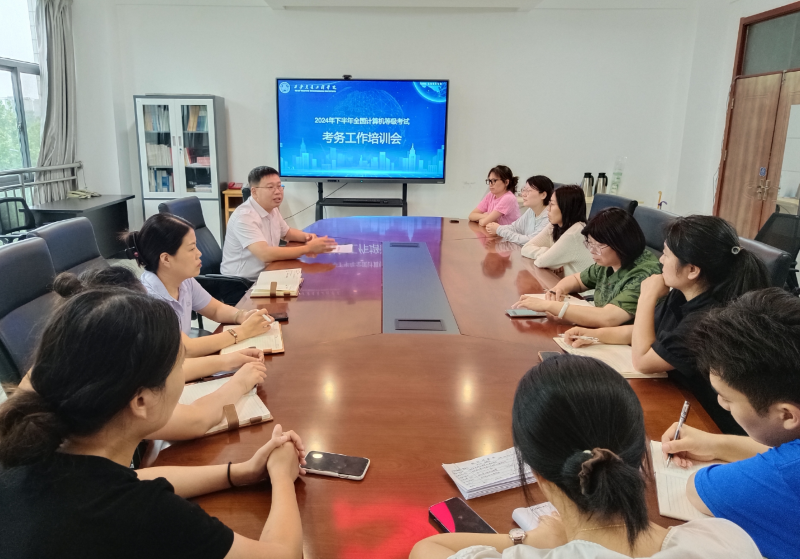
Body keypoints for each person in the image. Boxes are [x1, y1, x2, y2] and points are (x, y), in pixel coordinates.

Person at [0, 287, 306, 559]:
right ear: (141, 401)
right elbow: (283, 555)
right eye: (178, 365)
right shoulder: (141, 515)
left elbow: (134, 479)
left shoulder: (27, 448)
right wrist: (281, 475)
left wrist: (239, 472)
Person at [410, 355, 760, 559]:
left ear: (537, 473)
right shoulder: (727, 541)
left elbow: (428, 548)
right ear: (641, 456)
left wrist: (525, 540)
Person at [564, 215, 770, 434]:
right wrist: (594, 335)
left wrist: (647, 296)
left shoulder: (707, 319)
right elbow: (643, 331)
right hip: (672, 394)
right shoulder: (682, 294)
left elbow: (643, 361)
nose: (660, 260)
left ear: (692, 270)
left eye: (666, 254)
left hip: (704, 419)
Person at [44, 268, 268, 441]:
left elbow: (172, 369)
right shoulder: (113, 401)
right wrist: (240, 382)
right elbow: (197, 420)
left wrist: (227, 360)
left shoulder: (76, 360)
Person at [659, 288, 800, 559]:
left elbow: (698, 490)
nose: (722, 404)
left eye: (727, 398)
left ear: (786, 415)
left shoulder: (786, 474)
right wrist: (717, 444)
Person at [125, 213, 276, 361]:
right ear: (166, 259)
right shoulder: (150, 299)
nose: (199, 253)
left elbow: (215, 309)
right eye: (191, 249)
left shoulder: (184, 280)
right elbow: (186, 349)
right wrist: (243, 332)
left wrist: (242, 316)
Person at [514, 207, 661, 327]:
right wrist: (558, 289)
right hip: (600, 333)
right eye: (590, 243)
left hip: (625, 345)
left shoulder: (644, 274)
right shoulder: (609, 262)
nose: (592, 250)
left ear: (621, 243)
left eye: (598, 245)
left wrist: (550, 306)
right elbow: (577, 280)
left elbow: (608, 318)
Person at [222, 166, 337, 280]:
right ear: (254, 191)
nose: (277, 192)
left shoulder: (272, 208)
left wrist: (308, 237)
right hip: (242, 282)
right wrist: (308, 248)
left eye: (279, 186)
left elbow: (286, 232)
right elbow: (265, 254)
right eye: (270, 187)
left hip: (268, 271)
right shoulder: (244, 216)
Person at [519, 184, 593, 277]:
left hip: (580, 286)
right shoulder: (554, 226)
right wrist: (548, 252)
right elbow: (525, 248)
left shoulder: (576, 232)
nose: (548, 209)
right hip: (563, 280)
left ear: (566, 207)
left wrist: (552, 259)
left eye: (552, 204)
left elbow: (541, 262)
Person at [486, 176, 553, 244]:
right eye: (524, 190)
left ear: (543, 195)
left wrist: (499, 230)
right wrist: (496, 228)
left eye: (528, 191)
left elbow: (531, 241)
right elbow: (515, 228)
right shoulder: (531, 211)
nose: (523, 194)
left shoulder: (549, 218)